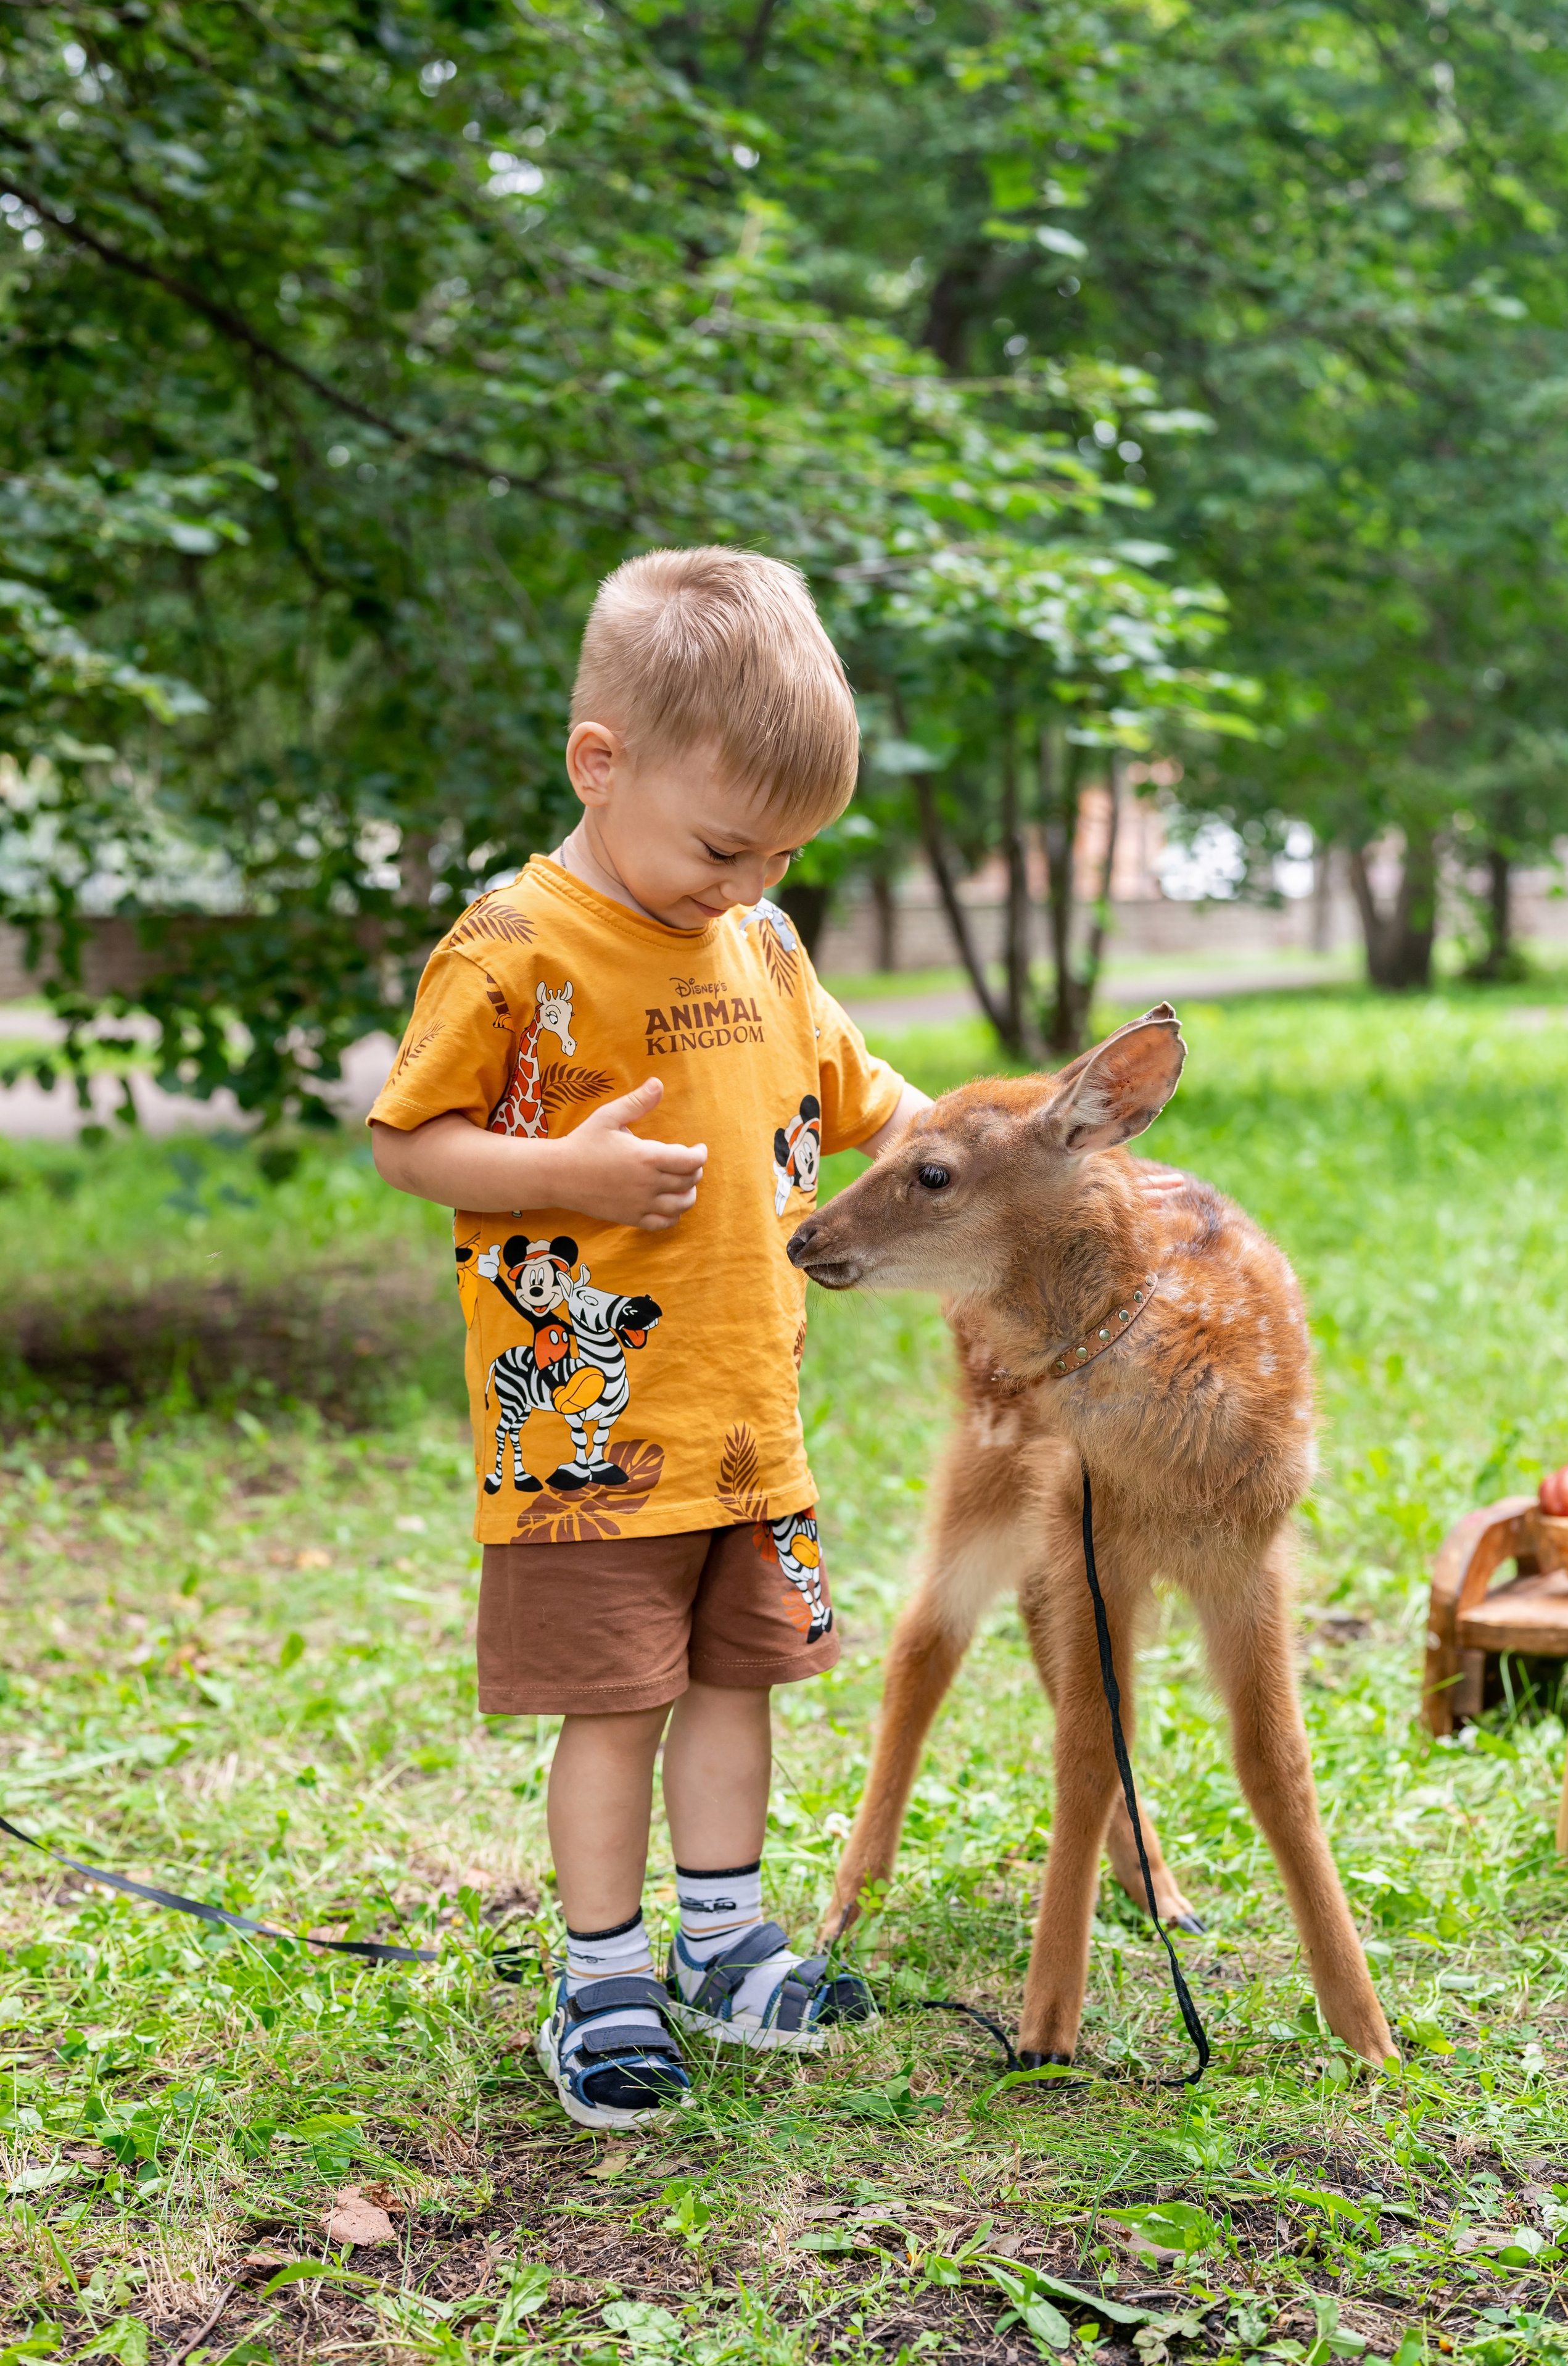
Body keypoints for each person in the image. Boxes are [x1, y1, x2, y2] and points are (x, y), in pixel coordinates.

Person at [369, 547, 931, 2128]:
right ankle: (603, 1973)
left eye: (784, 857)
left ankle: (723, 1938)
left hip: (748, 1416)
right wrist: (568, 1174)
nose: (749, 883)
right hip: (591, 1430)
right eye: (726, 846)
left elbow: (866, 1099)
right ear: (598, 766)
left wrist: (996, 1128)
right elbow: (413, 1144)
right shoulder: (515, 946)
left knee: (738, 1681)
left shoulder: (758, 941)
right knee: (616, 1697)